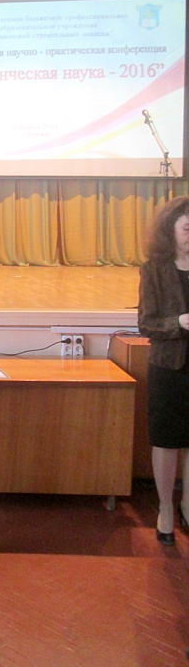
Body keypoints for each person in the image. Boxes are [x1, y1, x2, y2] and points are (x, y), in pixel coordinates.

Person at [138, 195, 189, 545]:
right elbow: (146, 324)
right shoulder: (154, 269)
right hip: (169, 367)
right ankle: (166, 508)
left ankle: (188, 504)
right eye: (187, 228)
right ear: (170, 230)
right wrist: (180, 322)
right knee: (167, 441)